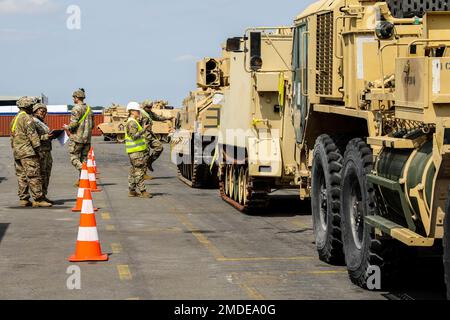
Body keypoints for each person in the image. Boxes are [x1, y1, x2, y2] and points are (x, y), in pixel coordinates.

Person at [10, 97, 52, 207]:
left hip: (18, 152)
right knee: (34, 176)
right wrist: (39, 151)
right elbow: (33, 137)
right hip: (28, 152)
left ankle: (24, 199)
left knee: (22, 176)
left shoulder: (15, 118)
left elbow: (12, 137)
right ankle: (38, 199)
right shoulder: (27, 118)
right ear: (28, 106)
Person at [63, 88, 95, 186]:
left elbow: (74, 123)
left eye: (74, 97)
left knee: (74, 158)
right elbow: (92, 125)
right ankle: (82, 180)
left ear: (76, 97)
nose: (73, 99)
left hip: (77, 138)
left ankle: (85, 172)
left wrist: (67, 127)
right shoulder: (89, 109)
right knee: (84, 159)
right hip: (87, 139)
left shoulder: (76, 108)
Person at [125, 102, 152, 198]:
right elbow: (134, 136)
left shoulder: (133, 121)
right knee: (139, 172)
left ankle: (132, 191)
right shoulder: (132, 122)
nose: (139, 112)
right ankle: (143, 191)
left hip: (135, 151)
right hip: (136, 151)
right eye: (137, 110)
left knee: (133, 171)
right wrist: (144, 129)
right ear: (132, 111)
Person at [140, 100, 174, 175]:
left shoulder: (150, 113)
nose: (150, 108)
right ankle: (143, 174)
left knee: (159, 147)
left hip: (150, 135)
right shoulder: (140, 114)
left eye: (151, 107)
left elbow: (157, 117)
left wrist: (167, 118)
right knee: (145, 154)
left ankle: (149, 162)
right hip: (143, 137)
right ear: (144, 107)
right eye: (148, 107)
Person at [32, 103, 54, 203]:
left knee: (47, 174)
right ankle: (39, 197)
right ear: (36, 111)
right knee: (41, 174)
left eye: (45, 111)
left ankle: (44, 195)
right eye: (41, 111)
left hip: (47, 151)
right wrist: (46, 137)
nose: (44, 113)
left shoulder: (42, 122)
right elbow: (33, 138)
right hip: (40, 151)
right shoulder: (33, 121)